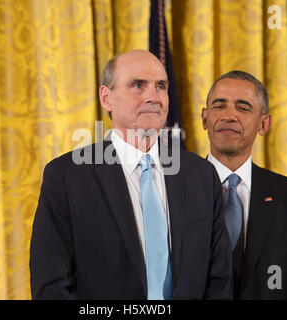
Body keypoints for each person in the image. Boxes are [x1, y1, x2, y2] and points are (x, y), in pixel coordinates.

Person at [29, 50, 232, 299]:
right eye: (138, 85)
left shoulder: (201, 175)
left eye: (161, 86)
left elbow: (219, 281)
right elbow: (51, 286)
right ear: (106, 98)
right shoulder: (66, 177)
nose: (153, 96)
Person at [202, 70, 287, 299]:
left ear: (264, 123)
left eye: (243, 107)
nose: (229, 115)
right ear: (204, 118)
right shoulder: (176, 190)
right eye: (219, 106)